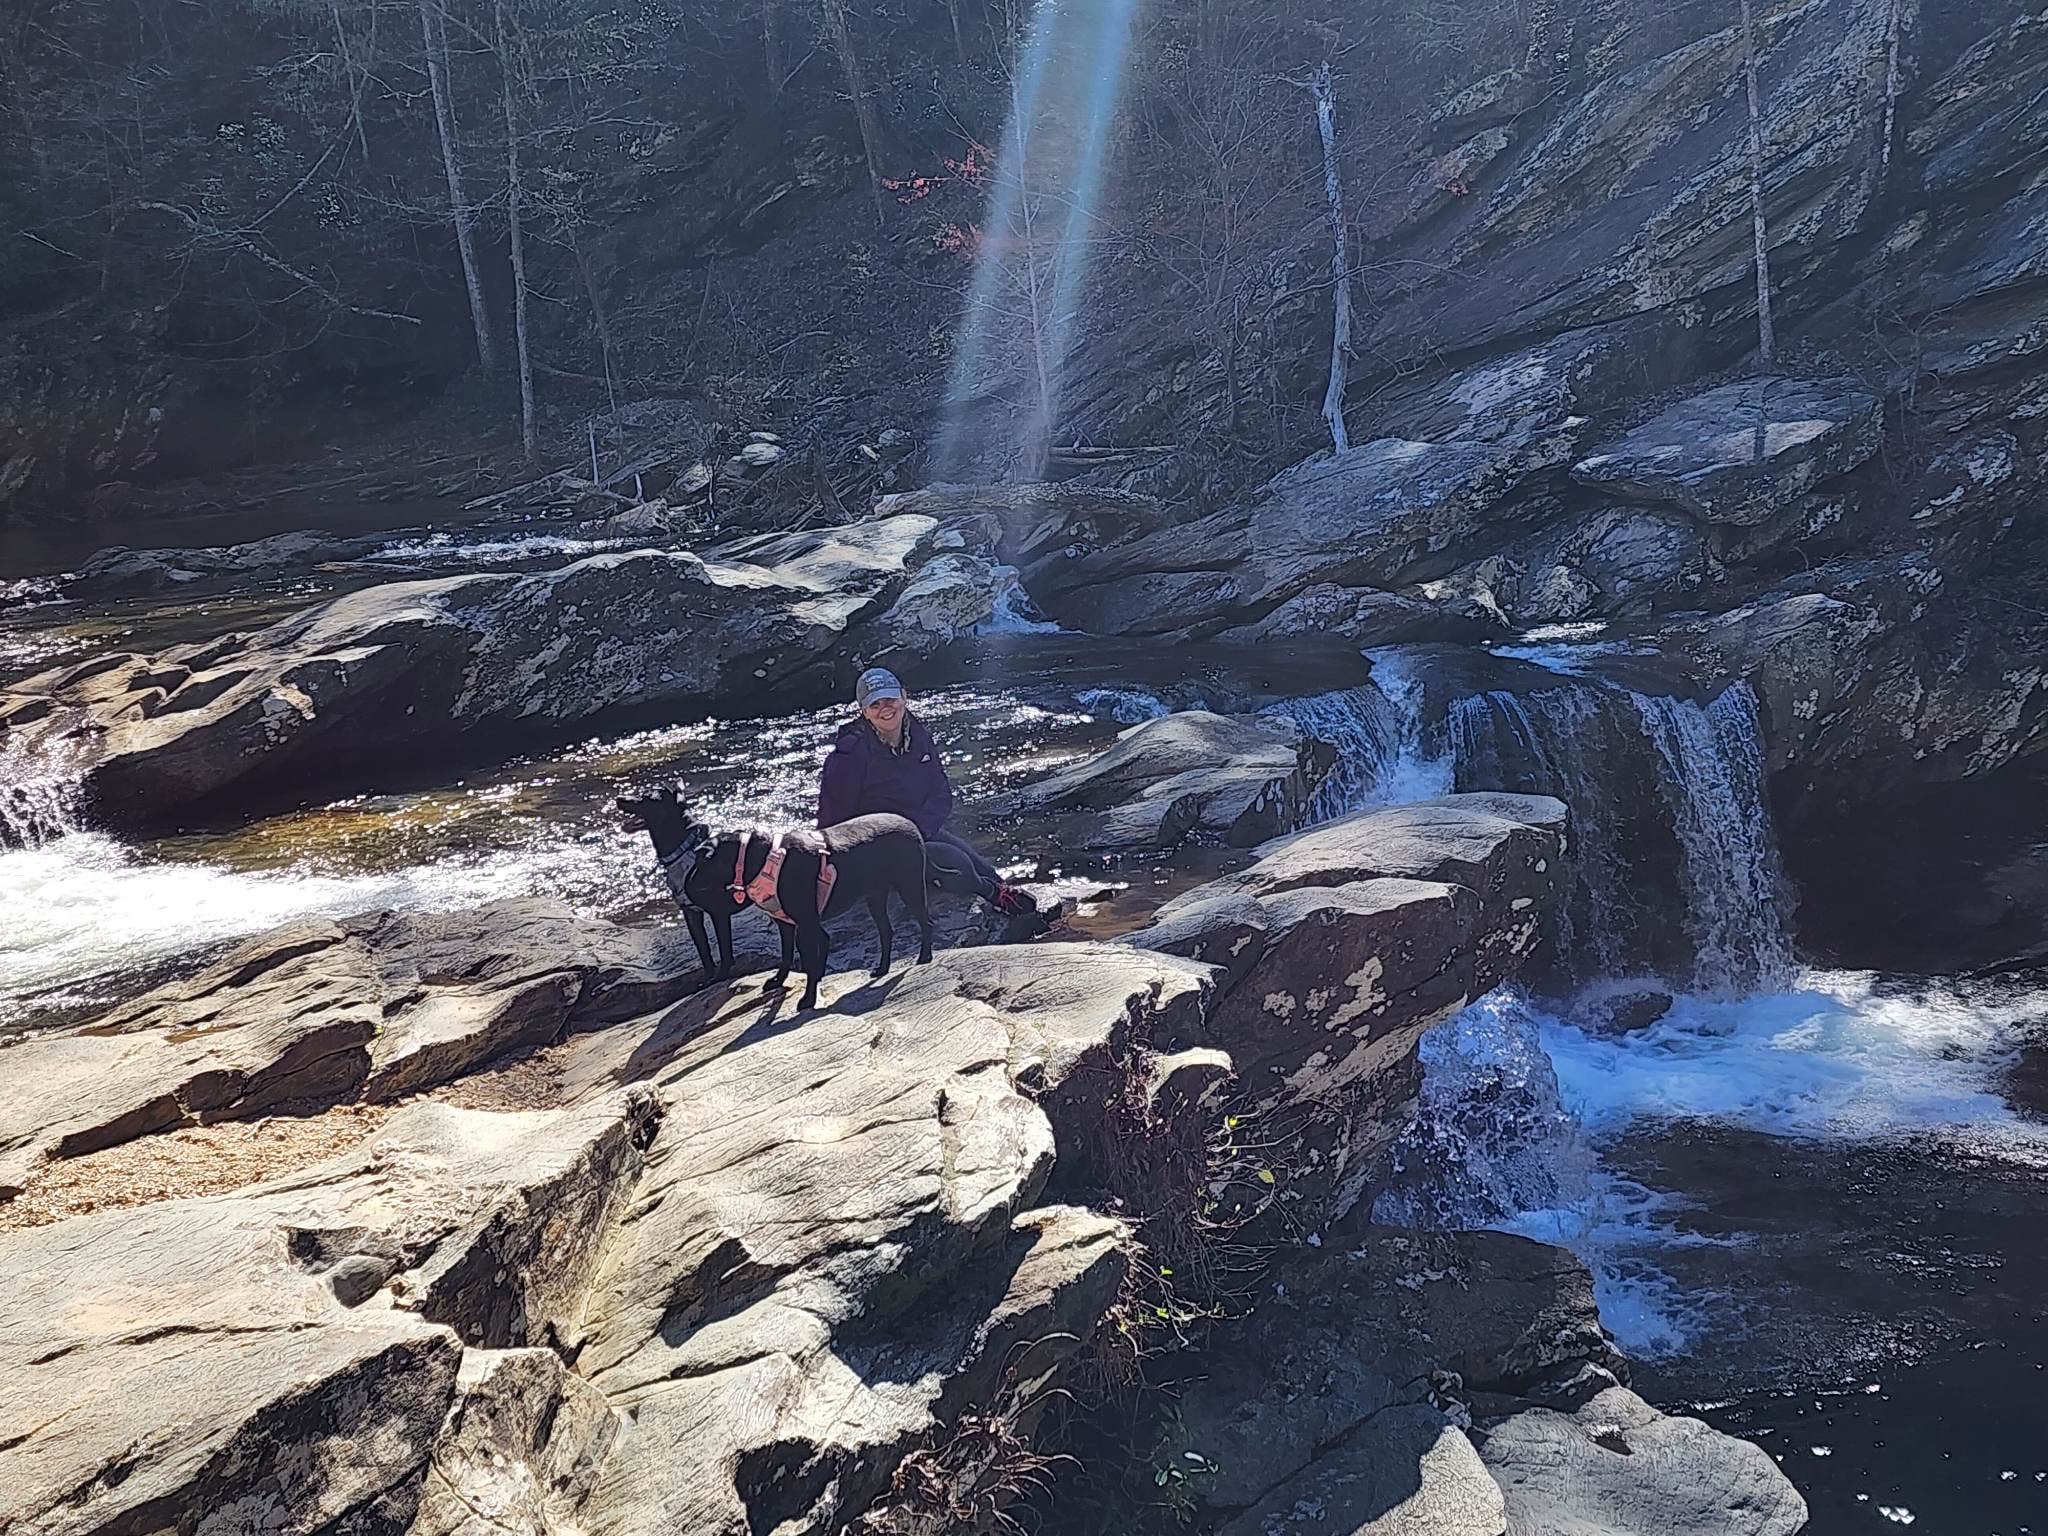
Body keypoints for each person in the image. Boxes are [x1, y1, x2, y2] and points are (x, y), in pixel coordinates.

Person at [818, 666, 1051, 925]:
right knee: (953, 860)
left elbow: (940, 791)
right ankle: (996, 898)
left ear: (904, 697)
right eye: (875, 704)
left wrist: (920, 830)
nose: (885, 708)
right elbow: (832, 824)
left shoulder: (917, 734)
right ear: (864, 711)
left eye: (890, 699)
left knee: (979, 863)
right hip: (875, 849)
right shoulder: (848, 757)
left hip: (917, 830)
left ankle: (1007, 894)